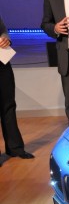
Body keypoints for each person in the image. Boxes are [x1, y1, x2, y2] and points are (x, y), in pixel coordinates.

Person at [0, 15, 34, 164]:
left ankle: (15, 148)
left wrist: (5, 39)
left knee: (9, 106)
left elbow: (3, 30)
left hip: (2, 63)